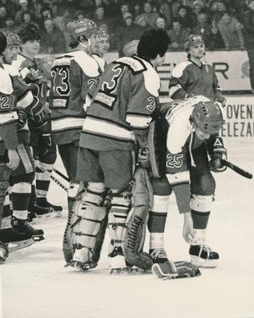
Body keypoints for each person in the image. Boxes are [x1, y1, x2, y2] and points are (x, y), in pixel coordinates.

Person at [68, 29, 170, 271]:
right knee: (120, 195)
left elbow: (88, 100)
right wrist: (145, 149)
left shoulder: (114, 64)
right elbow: (137, 119)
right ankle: (116, 254)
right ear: (158, 55)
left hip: (89, 136)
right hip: (116, 142)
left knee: (92, 194)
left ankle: (81, 253)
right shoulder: (148, 73)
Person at [147, 97, 227, 267]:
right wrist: (187, 217)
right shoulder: (178, 129)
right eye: (203, 132)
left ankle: (198, 243)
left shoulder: (216, 110)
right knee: (161, 186)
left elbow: (213, 133)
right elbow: (178, 176)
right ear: (194, 122)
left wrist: (217, 154)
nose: (207, 136)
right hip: (162, 134)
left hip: (191, 138)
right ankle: (156, 246)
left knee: (205, 184)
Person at [50, 19, 103, 212]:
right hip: (78, 127)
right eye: (93, 36)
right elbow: (92, 98)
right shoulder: (87, 61)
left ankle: (74, 224)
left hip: (58, 127)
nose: (96, 40)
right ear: (82, 38)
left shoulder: (58, 60)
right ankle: (78, 226)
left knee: (74, 179)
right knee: (86, 179)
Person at [0, 32, 48, 248]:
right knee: (23, 174)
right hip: (12, 133)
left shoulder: (10, 70)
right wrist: (41, 109)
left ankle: (7, 227)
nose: (15, 52)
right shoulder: (7, 72)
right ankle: (17, 222)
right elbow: (25, 99)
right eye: (11, 48)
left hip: (13, 131)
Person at [12, 27, 59, 218]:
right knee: (32, 159)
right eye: (32, 41)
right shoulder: (20, 63)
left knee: (47, 155)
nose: (36, 44)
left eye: (38, 40)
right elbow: (20, 89)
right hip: (29, 118)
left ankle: (39, 199)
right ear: (21, 44)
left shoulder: (36, 62)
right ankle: (29, 203)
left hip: (41, 116)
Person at [169, 34, 226, 104]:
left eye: (201, 46)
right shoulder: (182, 67)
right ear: (189, 51)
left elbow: (216, 88)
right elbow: (173, 90)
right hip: (190, 112)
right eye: (196, 47)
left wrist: (219, 97)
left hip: (210, 110)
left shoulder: (209, 68)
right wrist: (190, 100)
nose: (200, 49)